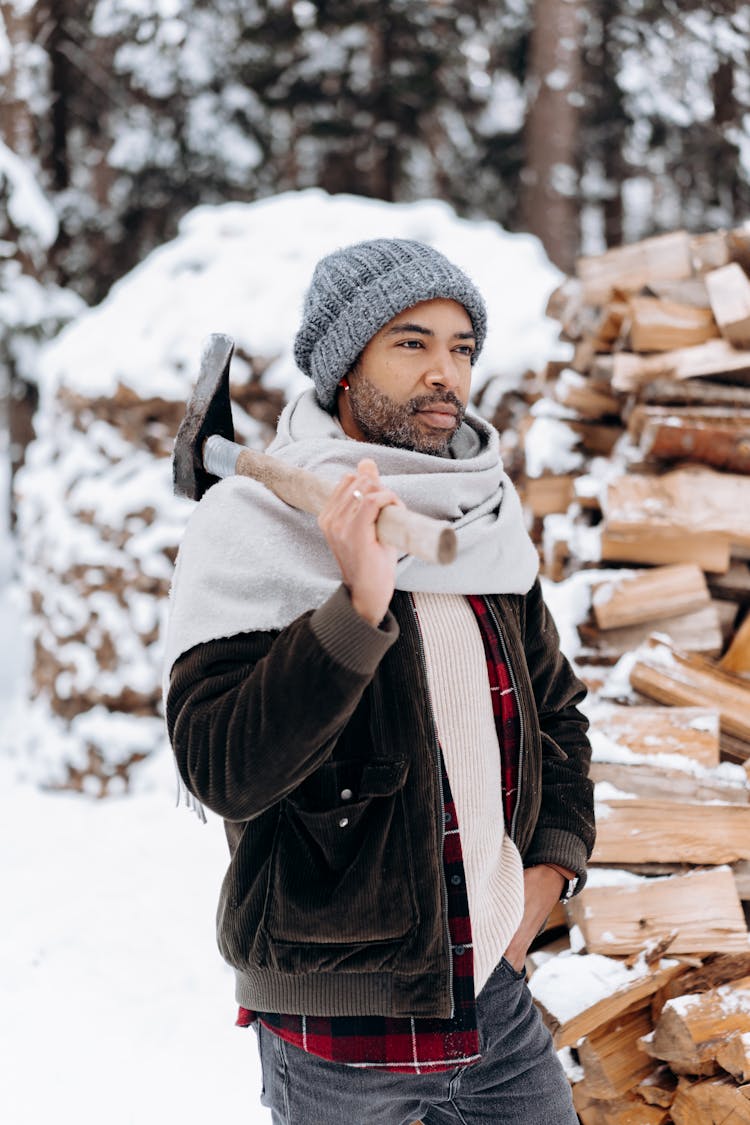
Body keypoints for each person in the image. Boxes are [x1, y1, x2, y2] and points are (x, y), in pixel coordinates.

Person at [164, 238, 595, 1125]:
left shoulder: (479, 518)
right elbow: (223, 767)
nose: (446, 372)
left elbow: (556, 719)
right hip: (337, 1026)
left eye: (462, 345)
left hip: (493, 994)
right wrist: (357, 606)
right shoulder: (248, 527)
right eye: (411, 342)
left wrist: (546, 877)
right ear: (344, 365)